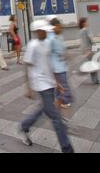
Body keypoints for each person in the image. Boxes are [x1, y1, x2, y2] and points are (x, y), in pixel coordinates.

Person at [20, 19, 74, 153]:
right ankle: (67, 149)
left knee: (44, 109)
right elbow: (27, 66)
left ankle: (24, 126)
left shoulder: (47, 43)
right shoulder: (32, 45)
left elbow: (49, 64)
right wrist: (28, 88)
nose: (46, 33)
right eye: (43, 31)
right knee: (55, 117)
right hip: (40, 85)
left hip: (49, 83)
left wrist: (57, 83)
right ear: (37, 32)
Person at [49, 18, 73, 109]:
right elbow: (48, 54)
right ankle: (65, 101)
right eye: (58, 26)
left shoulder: (59, 36)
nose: (60, 28)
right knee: (63, 85)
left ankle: (56, 100)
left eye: (60, 26)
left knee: (59, 86)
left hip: (61, 66)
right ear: (53, 27)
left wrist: (66, 55)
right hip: (56, 67)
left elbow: (62, 49)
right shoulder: (51, 39)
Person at [79, 17, 99, 85]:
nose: (88, 23)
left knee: (92, 64)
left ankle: (95, 79)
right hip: (90, 49)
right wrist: (90, 50)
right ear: (83, 23)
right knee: (93, 64)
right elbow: (89, 41)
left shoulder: (82, 30)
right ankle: (95, 80)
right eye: (86, 21)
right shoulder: (85, 30)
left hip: (89, 49)